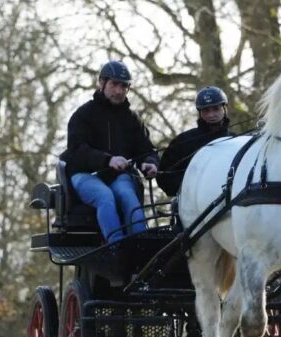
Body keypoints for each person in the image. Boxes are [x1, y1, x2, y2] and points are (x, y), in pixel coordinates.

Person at [61, 60, 159, 243]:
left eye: (124, 86)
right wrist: (108, 160)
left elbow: (146, 149)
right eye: (114, 84)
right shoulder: (83, 114)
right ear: (101, 83)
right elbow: (77, 150)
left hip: (118, 176)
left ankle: (142, 246)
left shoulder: (132, 119)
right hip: (84, 175)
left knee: (129, 197)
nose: (119, 91)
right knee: (105, 197)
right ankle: (117, 248)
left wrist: (149, 162)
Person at [156, 86, 233, 197]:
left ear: (224, 109)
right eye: (206, 110)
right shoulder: (183, 141)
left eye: (216, 109)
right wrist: (190, 191)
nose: (211, 115)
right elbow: (164, 176)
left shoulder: (236, 140)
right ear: (200, 112)